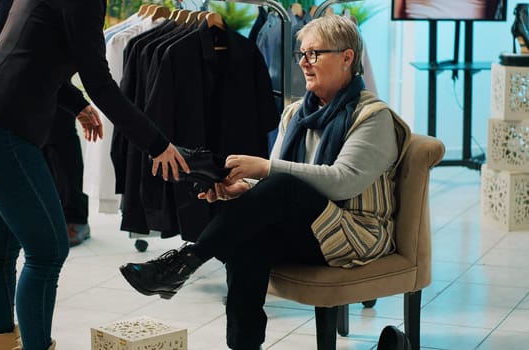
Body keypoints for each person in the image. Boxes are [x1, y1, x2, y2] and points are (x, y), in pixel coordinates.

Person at [120, 15, 411, 350]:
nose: (304, 62)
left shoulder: (372, 117)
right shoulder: (296, 114)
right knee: (248, 240)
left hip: (356, 233)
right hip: (312, 228)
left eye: (314, 54)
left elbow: (341, 183)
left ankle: (185, 263)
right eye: (301, 54)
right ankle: (243, 345)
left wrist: (264, 169)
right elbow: (281, 189)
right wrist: (244, 189)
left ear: (347, 57)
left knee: (281, 184)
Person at [0, 1, 189, 349]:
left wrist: (76, 104)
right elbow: (99, 80)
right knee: (47, 250)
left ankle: (1, 341)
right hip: (4, 130)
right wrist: (155, 143)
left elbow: (30, 51)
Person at [0, 0, 92, 247]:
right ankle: (40, 215)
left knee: (60, 136)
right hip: (12, 44)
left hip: (48, 37)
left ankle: (73, 216)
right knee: (29, 138)